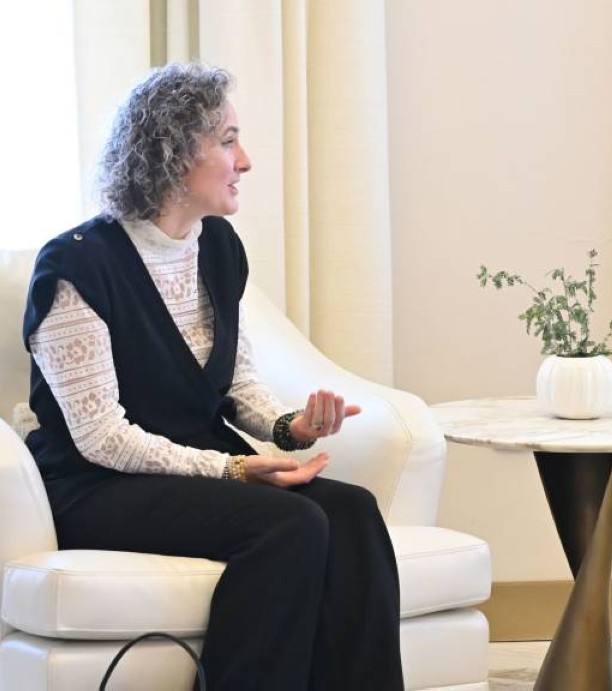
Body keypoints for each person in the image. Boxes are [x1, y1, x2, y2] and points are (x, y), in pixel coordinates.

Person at [21, 63, 405, 690]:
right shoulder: (76, 266)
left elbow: (237, 381)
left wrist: (290, 427)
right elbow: (101, 438)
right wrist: (233, 468)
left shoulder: (219, 247)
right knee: (291, 524)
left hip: (197, 469)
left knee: (354, 512)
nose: (245, 161)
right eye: (227, 141)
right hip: (96, 484)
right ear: (173, 155)